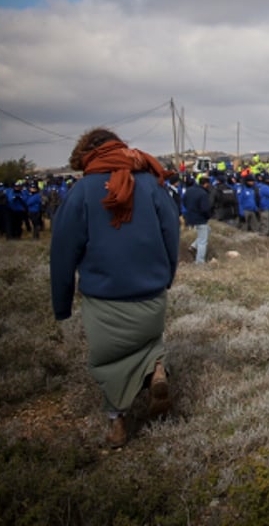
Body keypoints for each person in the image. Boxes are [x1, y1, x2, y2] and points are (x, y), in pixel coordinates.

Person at [49, 128, 180, 448]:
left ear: (87, 155)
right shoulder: (150, 183)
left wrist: (62, 303)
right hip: (151, 295)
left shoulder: (81, 192)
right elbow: (171, 233)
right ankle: (155, 370)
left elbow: (63, 251)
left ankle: (116, 423)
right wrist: (166, 276)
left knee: (108, 360)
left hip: (104, 298)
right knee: (149, 342)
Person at [182, 175, 212, 264]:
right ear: (206, 184)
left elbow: (184, 202)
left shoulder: (189, 190)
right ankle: (199, 262)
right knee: (203, 241)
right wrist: (208, 216)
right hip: (200, 218)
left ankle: (193, 246)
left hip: (190, 216)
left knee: (208, 230)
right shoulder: (203, 194)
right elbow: (205, 208)